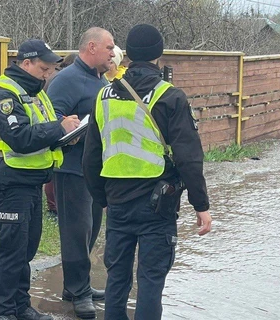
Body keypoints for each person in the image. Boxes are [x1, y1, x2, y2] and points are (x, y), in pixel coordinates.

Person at [82, 24, 212, 320]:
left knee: (117, 279)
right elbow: (189, 158)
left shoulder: (103, 97)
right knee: (151, 281)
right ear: (158, 54)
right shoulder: (170, 96)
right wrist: (201, 206)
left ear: (127, 53)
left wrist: (103, 198)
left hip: (116, 203)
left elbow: (90, 158)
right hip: (158, 205)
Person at [0, 39, 80, 320]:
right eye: (44, 68)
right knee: (12, 250)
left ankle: (20, 306)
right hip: (9, 180)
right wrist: (59, 127)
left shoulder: (34, 93)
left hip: (31, 179)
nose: (47, 75)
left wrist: (66, 136)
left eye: (49, 69)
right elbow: (19, 138)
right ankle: (3, 312)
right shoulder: (2, 94)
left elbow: (42, 135)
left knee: (26, 248)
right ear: (26, 63)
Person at [46, 27, 115, 319]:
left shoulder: (100, 80)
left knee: (91, 229)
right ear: (91, 47)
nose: (113, 53)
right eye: (109, 47)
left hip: (96, 170)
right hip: (71, 168)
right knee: (76, 232)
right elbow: (51, 118)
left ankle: (76, 287)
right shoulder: (66, 79)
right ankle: (79, 292)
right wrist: (67, 124)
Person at [43, 53, 77, 220]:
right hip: (59, 129)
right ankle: (53, 207)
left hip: (52, 131)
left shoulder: (53, 77)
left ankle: (52, 207)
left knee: (52, 174)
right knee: (55, 173)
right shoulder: (62, 80)